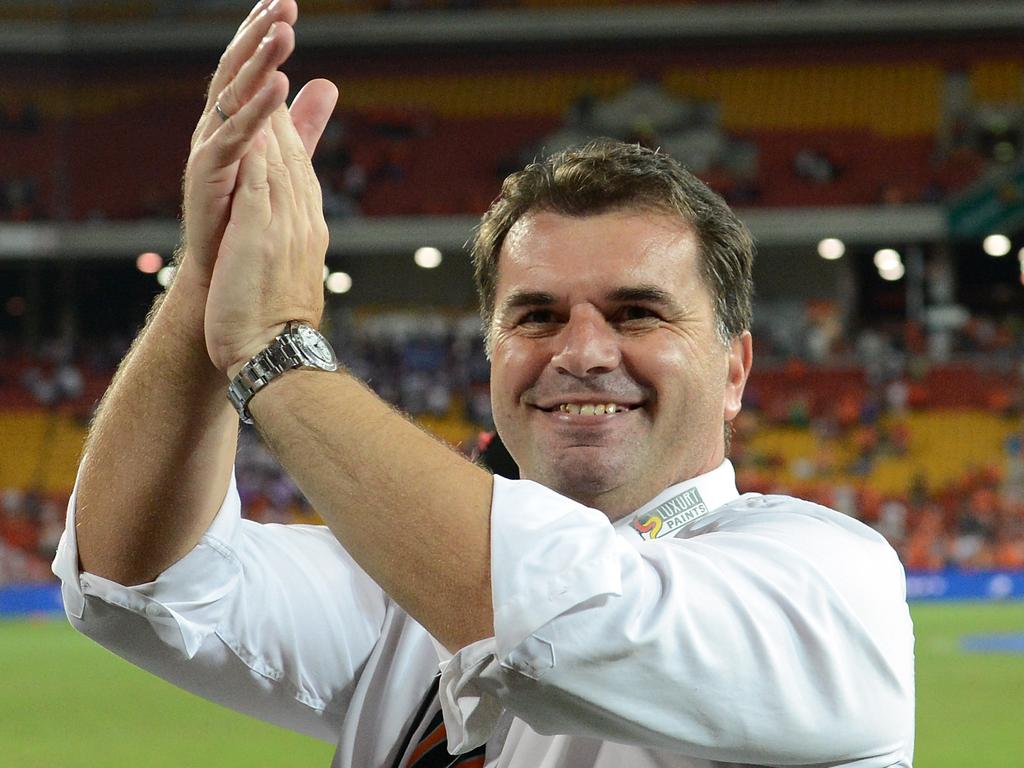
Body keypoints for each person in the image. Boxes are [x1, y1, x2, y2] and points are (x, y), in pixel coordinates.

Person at [52, 2, 915, 766]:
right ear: (491, 351)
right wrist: (205, 276)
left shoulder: (831, 583)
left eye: (638, 313)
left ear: (734, 369)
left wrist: (273, 352)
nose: (581, 350)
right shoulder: (404, 595)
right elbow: (138, 581)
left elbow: (561, 614)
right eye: (535, 315)